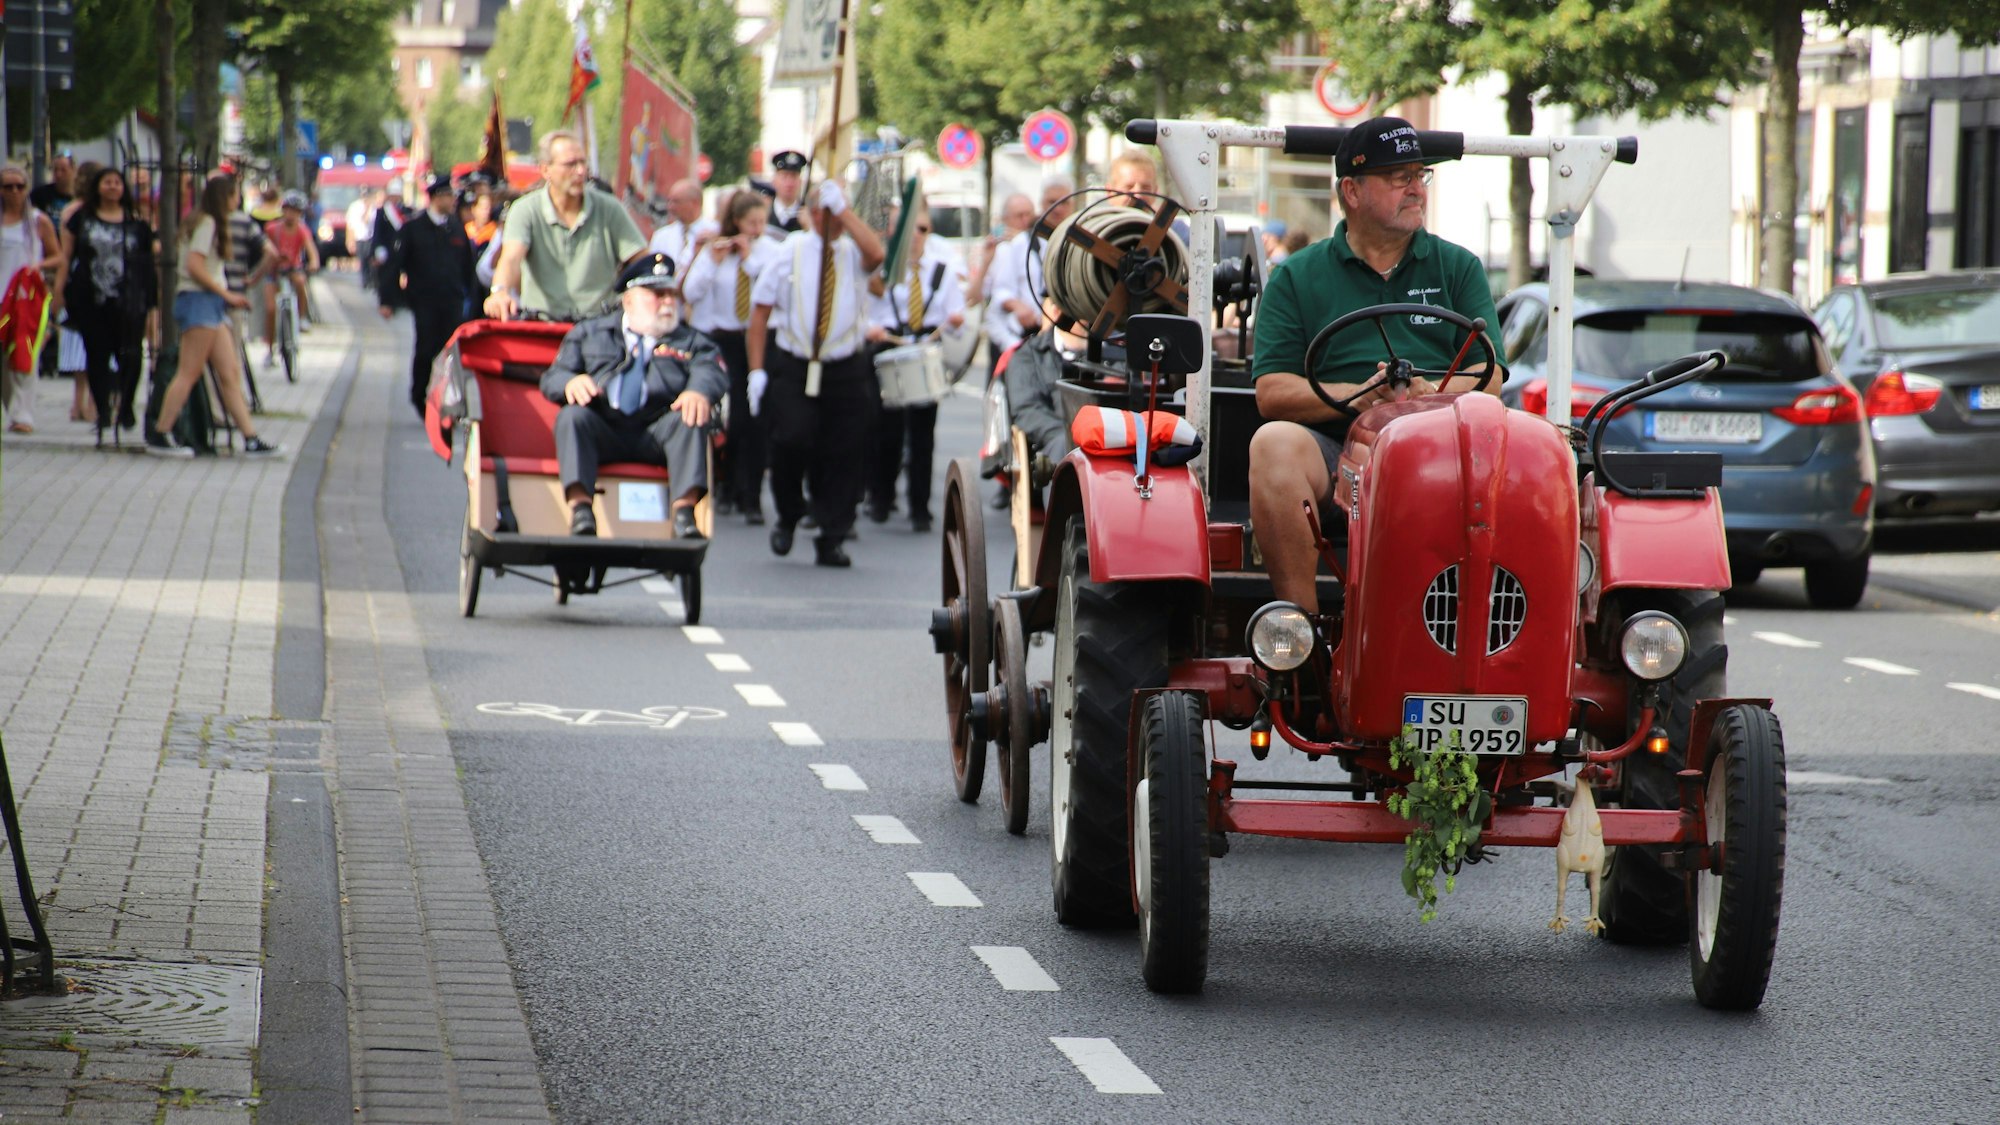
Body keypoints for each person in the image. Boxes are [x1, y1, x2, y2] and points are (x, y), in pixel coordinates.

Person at [1248, 116, 1503, 615]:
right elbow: (1272, 392)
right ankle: (1301, 639)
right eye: (1399, 178)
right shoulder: (1297, 276)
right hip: (1336, 441)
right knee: (1273, 444)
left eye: (1420, 176)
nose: (1417, 190)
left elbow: (1489, 376)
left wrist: (1437, 395)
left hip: (1445, 445)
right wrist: (1359, 396)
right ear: (1352, 191)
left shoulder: (1458, 267)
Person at [744, 179, 886, 567]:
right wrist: (756, 371)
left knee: (843, 451)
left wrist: (845, 210)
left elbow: (875, 254)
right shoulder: (788, 252)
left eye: (839, 211)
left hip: (844, 365)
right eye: (826, 210)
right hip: (794, 362)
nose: (834, 219)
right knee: (791, 439)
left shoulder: (851, 252)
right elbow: (760, 313)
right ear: (812, 214)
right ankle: (789, 514)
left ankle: (832, 534)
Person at [540, 253, 725, 538]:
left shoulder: (690, 340)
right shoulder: (591, 333)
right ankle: (580, 511)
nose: (667, 302)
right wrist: (570, 383)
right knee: (572, 417)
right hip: (605, 427)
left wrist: (697, 391)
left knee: (691, 417)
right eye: (656, 294)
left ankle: (684, 515)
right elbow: (553, 376)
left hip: (657, 431)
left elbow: (711, 370)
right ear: (629, 300)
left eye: (670, 294)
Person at [148, 176, 278, 457]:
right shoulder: (209, 224)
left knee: (229, 373)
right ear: (225, 197)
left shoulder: (205, 222)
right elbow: (195, 266)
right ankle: (161, 431)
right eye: (234, 195)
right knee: (189, 372)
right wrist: (228, 294)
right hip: (200, 301)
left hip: (208, 303)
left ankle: (251, 437)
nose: (238, 200)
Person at [682, 190, 780, 524]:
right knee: (724, 419)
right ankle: (724, 486)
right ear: (736, 222)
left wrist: (750, 258)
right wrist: (713, 261)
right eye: (750, 223)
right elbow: (691, 292)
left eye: (761, 222)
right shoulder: (715, 250)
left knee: (753, 419)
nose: (756, 229)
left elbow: (772, 291)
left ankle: (750, 495)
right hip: (720, 338)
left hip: (754, 340)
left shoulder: (770, 252)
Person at [864, 212, 966, 533]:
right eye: (909, 229)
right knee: (887, 431)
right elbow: (865, 312)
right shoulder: (884, 272)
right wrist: (874, 330)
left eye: (921, 229)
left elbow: (957, 313)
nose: (916, 235)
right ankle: (881, 499)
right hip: (891, 349)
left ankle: (920, 508)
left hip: (926, 352)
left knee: (923, 435)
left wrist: (956, 322)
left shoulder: (941, 270)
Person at [484, 131, 647, 322]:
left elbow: (642, 260)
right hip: (543, 327)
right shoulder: (525, 210)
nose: (580, 171)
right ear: (545, 170)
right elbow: (511, 258)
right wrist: (499, 291)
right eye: (570, 164)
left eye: (582, 163)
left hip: (599, 328)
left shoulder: (609, 208)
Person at [57, 166, 158, 443]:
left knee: (131, 355)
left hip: (129, 301)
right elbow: (66, 256)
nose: (113, 187)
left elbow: (149, 263)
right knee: (97, 355)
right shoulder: (83, 219)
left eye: (117, 182)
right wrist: (59, 290)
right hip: (92, 298)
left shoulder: (136, 223)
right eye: (107, 182)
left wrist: (152, 300)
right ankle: (102, 410)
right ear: (98, 187)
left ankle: (125, 405)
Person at [379, 176, 478, 416]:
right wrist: (388, 300)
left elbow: (467, 266)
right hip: (424, 300)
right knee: (426, 348)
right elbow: (395, 265)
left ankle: (449, 400)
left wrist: (474, 299)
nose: (452, 200)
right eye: (447, 196)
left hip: (451, 300)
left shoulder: (455, 227)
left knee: (451, 352)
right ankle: (419, 394)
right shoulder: (413, 228)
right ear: (434, 198)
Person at [0, 166, 60, 433]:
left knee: (25, 350)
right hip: (2, 293)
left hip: (25, 296)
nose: (14, 192)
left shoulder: (37, 221)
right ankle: (11, 406)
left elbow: (58, 256)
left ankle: (23, 413)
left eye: (20, 186)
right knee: (4, 357)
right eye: (8, 186)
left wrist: (39, 265)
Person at [260, 190, 319, 361]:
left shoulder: (302, 230)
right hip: (273, 271)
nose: (291, 215)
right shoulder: (272, 229)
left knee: (300, 282)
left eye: (295, 211)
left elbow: (311, 249)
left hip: (293, 269)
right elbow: (265, 249)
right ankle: (270, 349)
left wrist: (314, 263)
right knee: (271, 309)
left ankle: (300, 318)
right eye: (288, 210)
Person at [645, 178, 717, 280]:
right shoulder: (661, 236)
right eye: (669, 201)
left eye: (676, 202)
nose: (670, 207)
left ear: (694, 203)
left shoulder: (715, 232)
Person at [759, 150, 810, 240]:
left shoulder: (809, 215)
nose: (789, 183)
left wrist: (810, 229)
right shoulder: (763, 213)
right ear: (774, 180)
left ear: (800, 181)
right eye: (784, 176)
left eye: (794, 176)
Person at [370, 185, 408, 308]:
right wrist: (376, 250)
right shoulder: (382, 211)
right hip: (386, 249)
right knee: (386, 277)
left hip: (400, 249)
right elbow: (377, 232)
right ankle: (386, 301)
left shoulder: (406, 211)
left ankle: (400, 300)